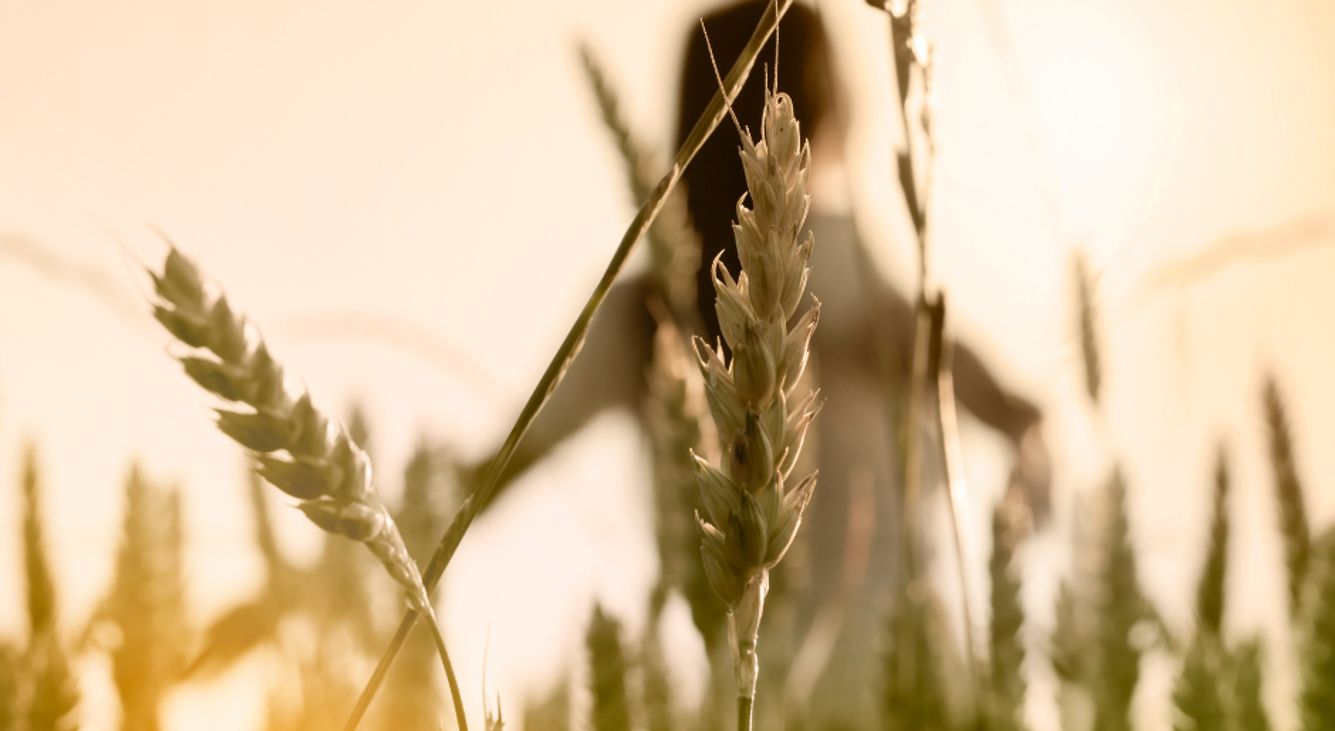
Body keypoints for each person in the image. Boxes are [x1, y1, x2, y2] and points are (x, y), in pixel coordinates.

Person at [472, 1, 1047, 723]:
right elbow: (1020, 414)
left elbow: (488, 476)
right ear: (829, 107)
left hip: (748, 700)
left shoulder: (642, 316)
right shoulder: (850, 273)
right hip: (915, 688)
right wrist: (1021, 506)